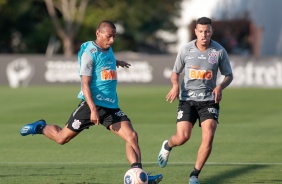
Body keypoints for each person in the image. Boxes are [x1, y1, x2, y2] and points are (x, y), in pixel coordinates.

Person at [20, 20, 163, 184]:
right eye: (109, 36)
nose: (112, 40)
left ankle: (139, 175)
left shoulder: (107, 47)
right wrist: (93, 110)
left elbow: (104, 60)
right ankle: (40, 127)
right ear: (98, 33)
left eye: (114, 37)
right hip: (90, 106)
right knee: (61, 138)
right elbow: (85, 84)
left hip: (110, 107)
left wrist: (117, 62)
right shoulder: (89, 54)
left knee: (131, 136)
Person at [157, 17, 233, 184]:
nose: (204, 34)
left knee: (208, 136)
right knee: (183, 137)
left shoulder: (219, 51)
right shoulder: (186, 50)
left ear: (211, 31)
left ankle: (194, 175)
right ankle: (168, 145)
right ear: (196, 32)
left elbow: (229, 75)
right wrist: (175, 86)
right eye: (201, 31)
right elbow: (175, 72)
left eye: (207, 31)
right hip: (187, 99)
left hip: (209, 100)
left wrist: (220, 87)